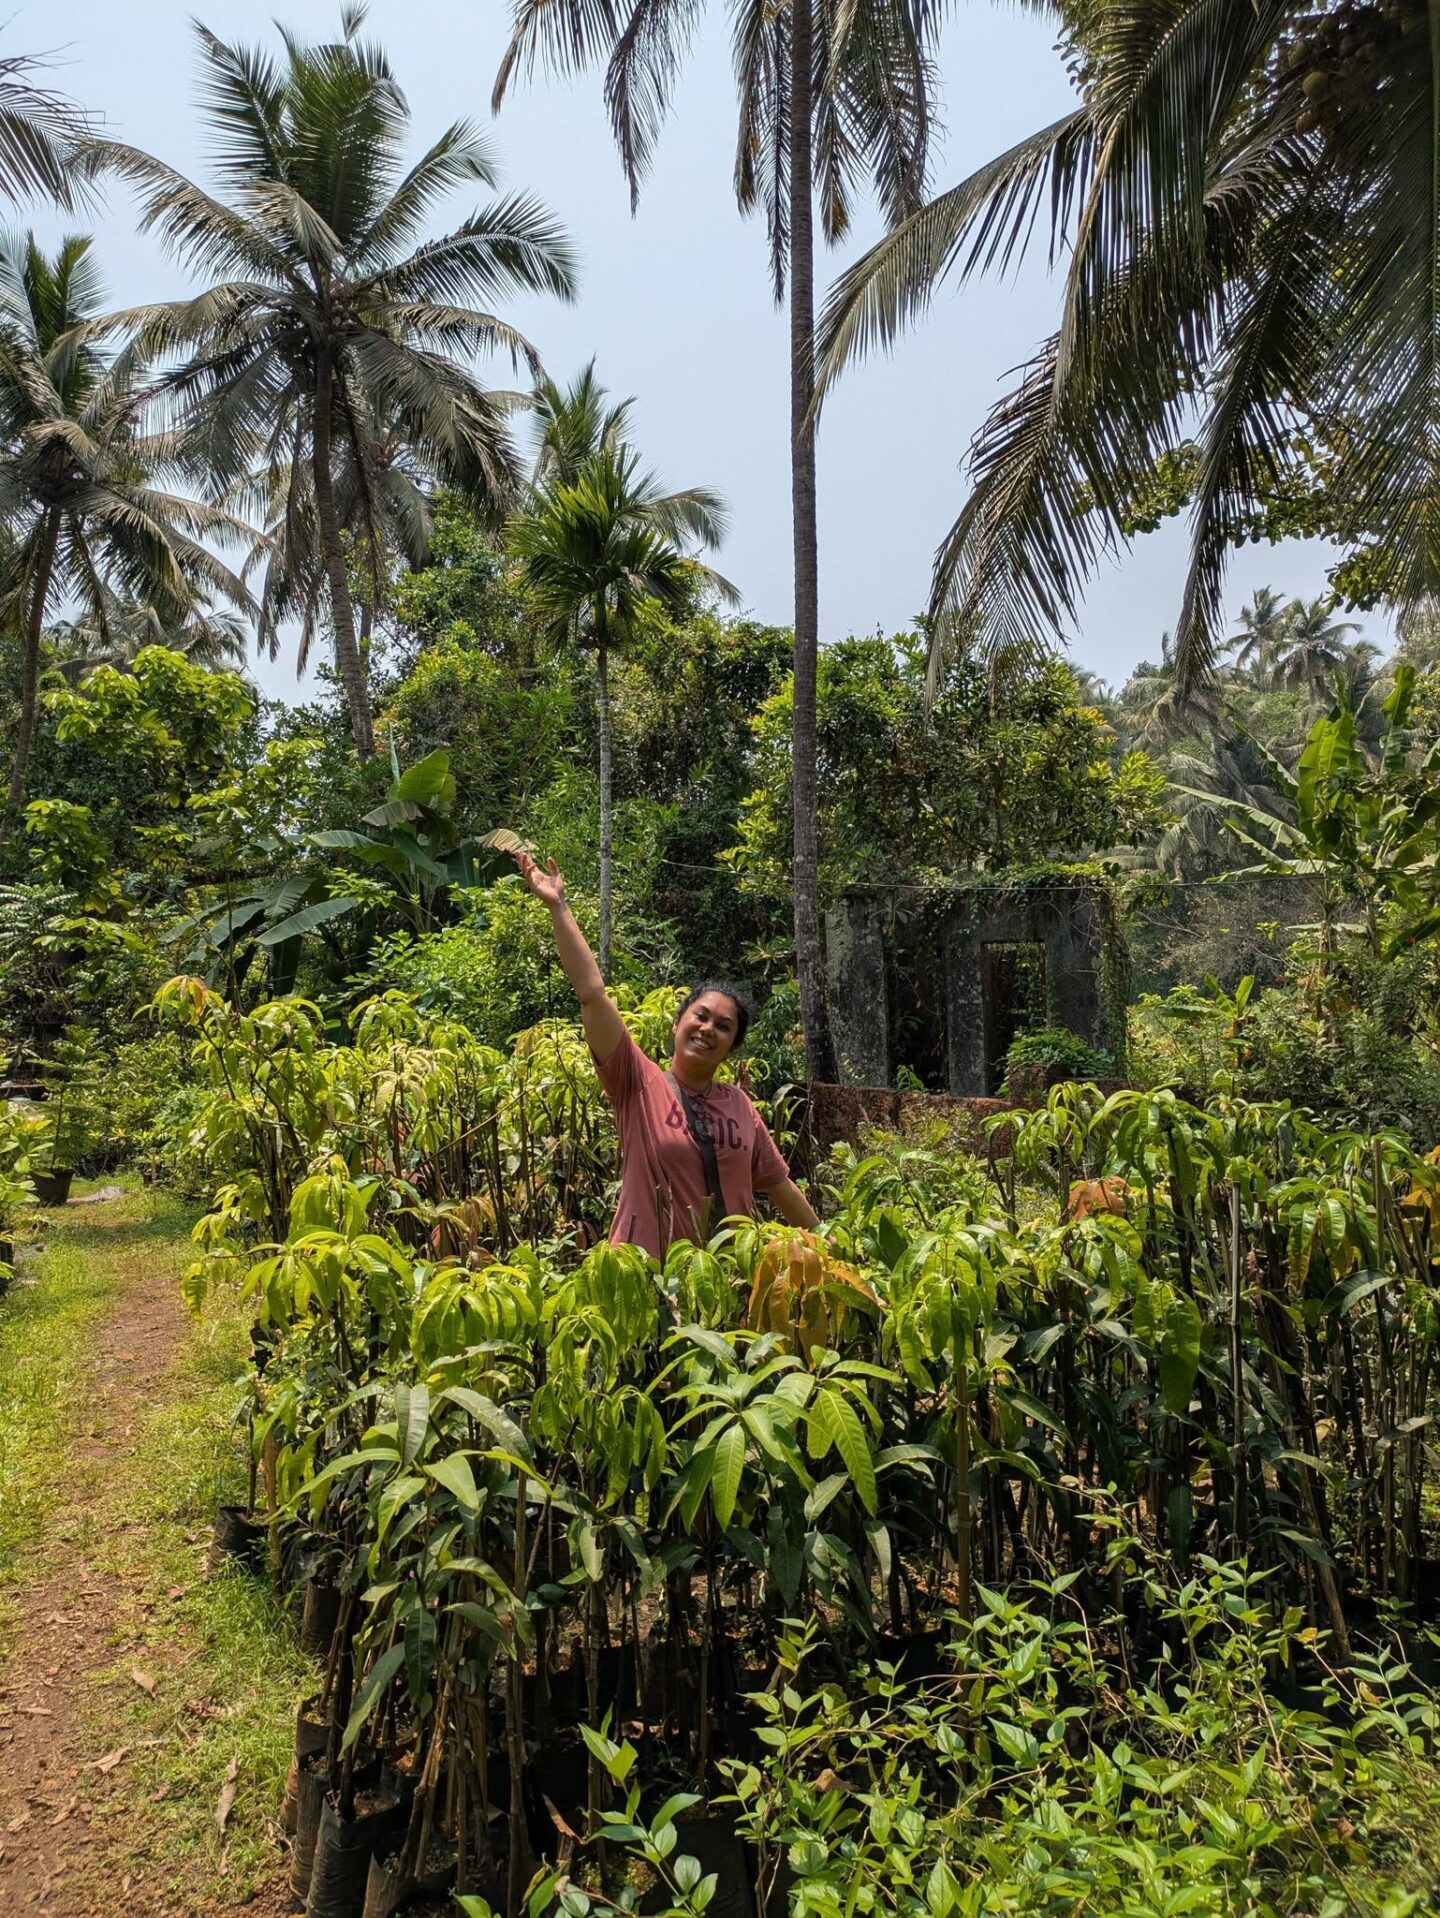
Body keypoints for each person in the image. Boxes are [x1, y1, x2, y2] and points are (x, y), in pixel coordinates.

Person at [516, 850, 820, 1257]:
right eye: (701, 1015)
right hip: (647, 1280)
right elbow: (592, 994)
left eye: (724, 1027)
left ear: (731, 1049)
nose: (708, 1028)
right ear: (678, 1024)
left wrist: (835, 1246)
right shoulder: (637, 1082)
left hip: (723, 1282)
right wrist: (558, 906)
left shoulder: (740, 1107)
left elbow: (780, 1185)